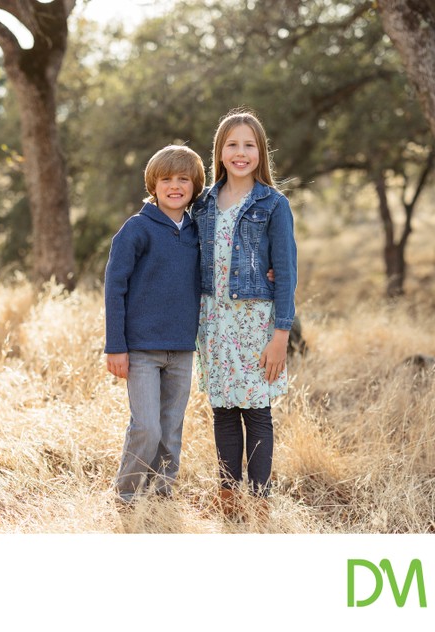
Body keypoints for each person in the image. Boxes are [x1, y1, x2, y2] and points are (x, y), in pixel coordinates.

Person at [192, 108, 298, 518]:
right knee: (222, 410)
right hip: (214, 322)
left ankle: (260, 501)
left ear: (260, 152)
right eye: (232, 145)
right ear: (219, 152)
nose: (240, 153)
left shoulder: (273, 205)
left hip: (256, 324)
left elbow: (286, 272)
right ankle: (229, 496)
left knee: (256, 411)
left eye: (249, 145)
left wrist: (281, 335)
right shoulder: (202, 205)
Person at [104, 144, 206, 506]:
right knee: (146, 426)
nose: (175, 186)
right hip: (141, 349)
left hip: (181, 348)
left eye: (183, 179)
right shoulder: (137, 229)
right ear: (153, 184)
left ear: (196, 185)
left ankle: (161, 494)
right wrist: (115, 346)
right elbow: (114, 288)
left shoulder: (198, 232)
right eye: (166, 179)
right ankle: (127, 494)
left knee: (171, 429)